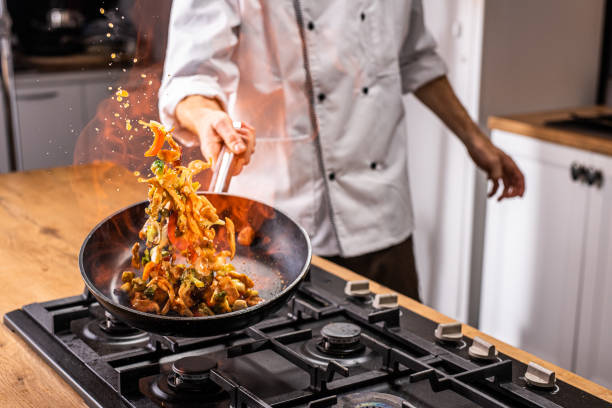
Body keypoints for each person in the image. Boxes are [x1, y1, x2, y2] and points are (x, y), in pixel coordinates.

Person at [158, 0, 525, 301]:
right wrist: (209, 118)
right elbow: (190, 79)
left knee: (404, 363)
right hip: (279, 227)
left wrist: (475, 140)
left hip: (383, 214)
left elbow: (415, 58)